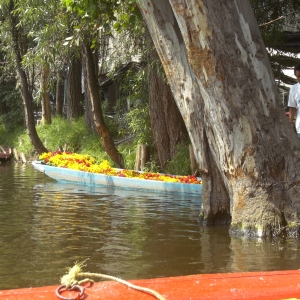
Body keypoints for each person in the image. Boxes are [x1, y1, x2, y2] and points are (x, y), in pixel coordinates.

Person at [288, 64, 300, 138]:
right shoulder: (294, 89)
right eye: (298, 76)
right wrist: (290, 123)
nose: (299, 79)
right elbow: (292, 107)